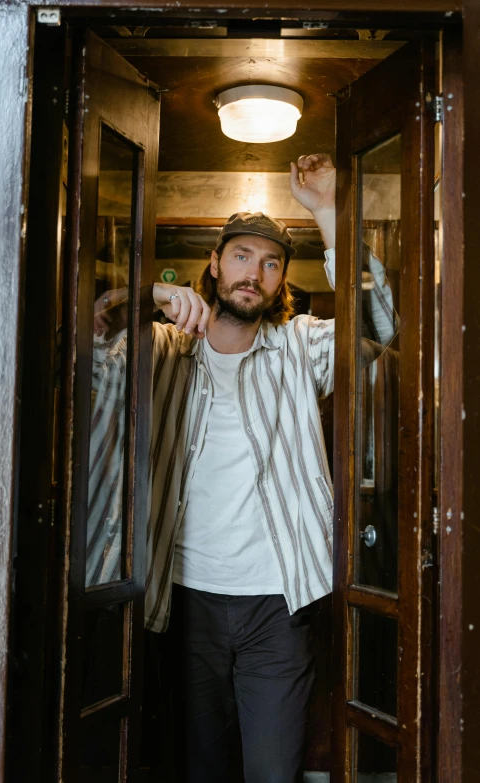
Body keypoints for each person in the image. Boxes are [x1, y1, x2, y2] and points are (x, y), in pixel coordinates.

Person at [90, 153, 396, 782]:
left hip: (277, 607)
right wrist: (150, 291)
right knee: (201, 768)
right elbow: (83, 337)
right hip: (185, 599)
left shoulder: (298, 348)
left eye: (270, 262)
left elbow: (380, 327)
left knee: (273, 771)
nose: (253, 273)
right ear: (213, 264)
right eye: (240, 256)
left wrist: (328, 210)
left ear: (281, 280)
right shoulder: (165, 349)